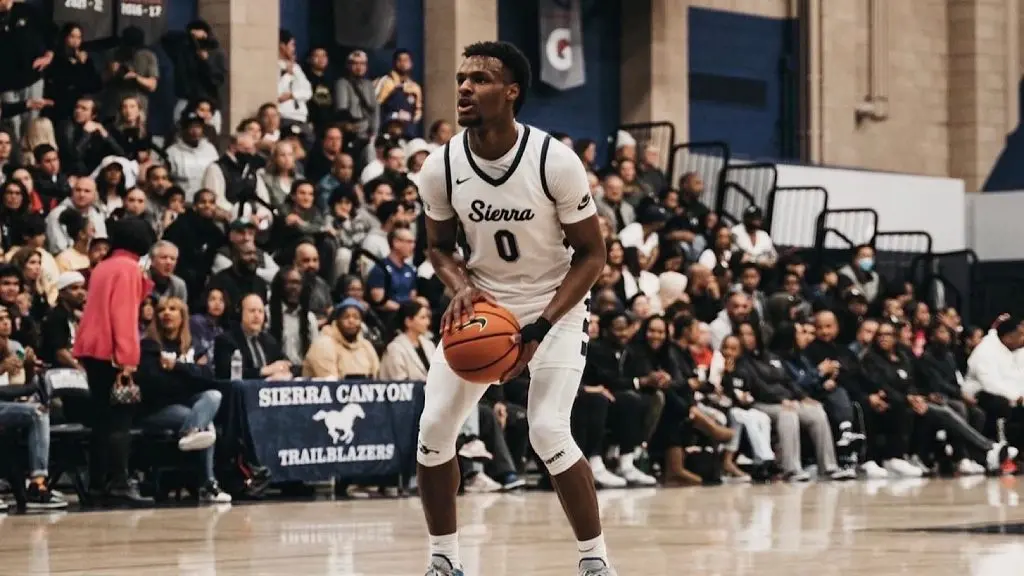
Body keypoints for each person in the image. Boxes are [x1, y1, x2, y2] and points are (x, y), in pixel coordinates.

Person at [415, 42, 612, 576]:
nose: (464, 88)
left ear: (511, 92)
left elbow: (594, 254)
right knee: (433, 428)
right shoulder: (441, 166)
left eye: (480, 79)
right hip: (483, 304)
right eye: (461, 78)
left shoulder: (555, 160)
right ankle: (443, 561)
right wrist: (457, 283)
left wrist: (541, 327)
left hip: (556, 303)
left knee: (548, 429)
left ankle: (595, 562)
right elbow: (436, 247)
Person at [72, 217, 156, 504]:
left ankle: (97, 483)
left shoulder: (105, 266)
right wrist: (127, 359)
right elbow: (123, 317)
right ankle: (119, 481)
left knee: (101, 421)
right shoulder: (128, 268)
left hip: (91, 350)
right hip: (111, 352)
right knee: (120, 419)